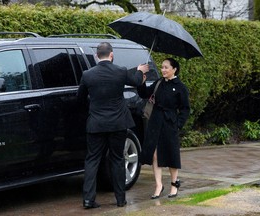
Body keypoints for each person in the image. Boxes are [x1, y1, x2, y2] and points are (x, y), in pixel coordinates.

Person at [77, 42, 149, 209]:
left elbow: (80, 99)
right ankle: (120, 199)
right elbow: (137, 81)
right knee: (117, 159)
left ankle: (88, 200)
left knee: (92, 160)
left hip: (96, 124)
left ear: (96, 56)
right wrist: (140, 70)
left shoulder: (87, 75)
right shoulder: (120, 71)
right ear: (111, 55)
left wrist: (93, 105)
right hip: (118, 124)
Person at [137, 58, 190, 199]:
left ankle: (174, 184)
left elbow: (185, 109)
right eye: (162, 67)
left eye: (166, 67)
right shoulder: (159, 82)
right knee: (154, 154)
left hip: (170, 122)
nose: (163, 70)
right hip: (155, 121)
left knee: (171, 153)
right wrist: (141, 81)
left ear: (174, 69)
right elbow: (144, 94)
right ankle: (158, 185)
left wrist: (178, 124)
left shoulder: (180, 87)